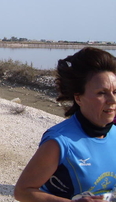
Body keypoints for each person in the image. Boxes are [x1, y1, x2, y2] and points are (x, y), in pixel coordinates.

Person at [14, 47, 116, 201]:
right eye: (101, 93)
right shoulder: (59, 142)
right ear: (78, 98)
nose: (112, 100)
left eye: (115, 92)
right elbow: (23, 191)